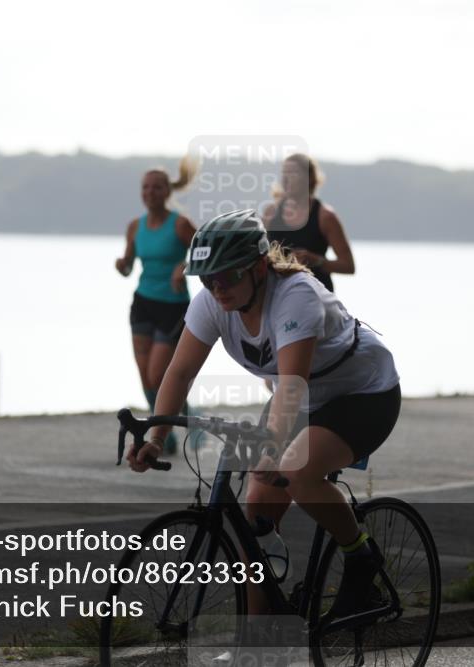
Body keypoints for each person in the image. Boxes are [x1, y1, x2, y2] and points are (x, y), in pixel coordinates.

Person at [126, 209, 401, 619]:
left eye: (226, 276)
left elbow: (291, 383)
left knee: (296, 471)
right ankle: (260, 636)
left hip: (364, 393)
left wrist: (272, 447)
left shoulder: (295, 295)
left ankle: (361, 558)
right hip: (304, 399)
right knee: (256, 511)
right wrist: (156, 438)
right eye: (207, 278)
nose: (217, 288)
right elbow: (180, 372)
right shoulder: (212, 303)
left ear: (258, 267)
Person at [115, 159, 197, 453]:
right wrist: (122, 264)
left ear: (167, 191)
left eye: (156, 187)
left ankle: (181, 417)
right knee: (145, 377)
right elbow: (128, 267)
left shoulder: (181, 224)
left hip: (173, 306)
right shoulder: (135, 227)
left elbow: (204, 254)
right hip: (143, 303)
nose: (150, 192)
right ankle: (166, 432)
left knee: (157, 375)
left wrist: (183, 266)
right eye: (145, 187)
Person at [263, 153, 355, 292]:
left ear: (309, 178)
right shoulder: (270, 212)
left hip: (316, 294)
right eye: (284, 173)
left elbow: (348, 266)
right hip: (278, 294)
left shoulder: (326, 217)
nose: (287, 179)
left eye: (293, 173)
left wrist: (316, 261)